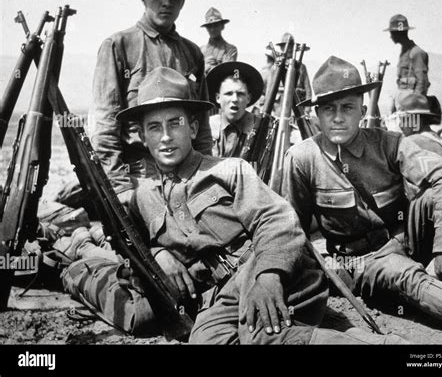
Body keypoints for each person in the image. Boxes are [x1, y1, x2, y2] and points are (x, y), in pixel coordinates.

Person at [61, 67, 406, 344]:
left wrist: (269, 276)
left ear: (193, 127)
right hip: (223, 295)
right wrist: (158, 255)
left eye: (175, 123)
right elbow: (132, 252)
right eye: (154, 127)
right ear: (144, 137)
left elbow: (277, 221)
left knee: (258, 333)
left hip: (276, 272)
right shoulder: (142, 198)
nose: (165, 136)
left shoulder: (230, 169)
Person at [282, 56, 442, 330]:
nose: (337, 118)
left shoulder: (389, 143)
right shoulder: (302, 158)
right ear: (316, 115)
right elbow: (292, 229)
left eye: (347, 107)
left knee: (438, 194)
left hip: (407, 238)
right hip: (362, 261)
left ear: (362, 110)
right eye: (328, 109)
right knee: (405, 276)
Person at [90, 0, 213, 203]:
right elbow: (105, 126)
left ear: (182, 2)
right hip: (139, 176)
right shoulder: (119, 46)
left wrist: (205, 176)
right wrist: (120, 188)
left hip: (188, 176)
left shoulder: (192, 53)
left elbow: (201, 126)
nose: (166, 2)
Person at [206, 61, 264, 157]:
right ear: (218, 98)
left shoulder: (260, 128)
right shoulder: (207, 127)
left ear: (248, 98)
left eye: (240, 94)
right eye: (228, 94)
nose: (235, 99)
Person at [384, 14, 430, 106]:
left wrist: (416, 103)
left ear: (398, 33)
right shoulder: (405, 52)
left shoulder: (416, 53)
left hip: (411, 101)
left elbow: (422, 81)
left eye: (392, 33)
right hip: (403, 97)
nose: (390, 36)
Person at [200, 7, 238, 75]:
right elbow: (193, 76)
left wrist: (214, 67)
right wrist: (203, 67)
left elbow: (228, 72)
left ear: (222, 26)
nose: (212, 29)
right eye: (209, 26)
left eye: (215, 25)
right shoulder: (201, 50)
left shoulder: (230, 49)